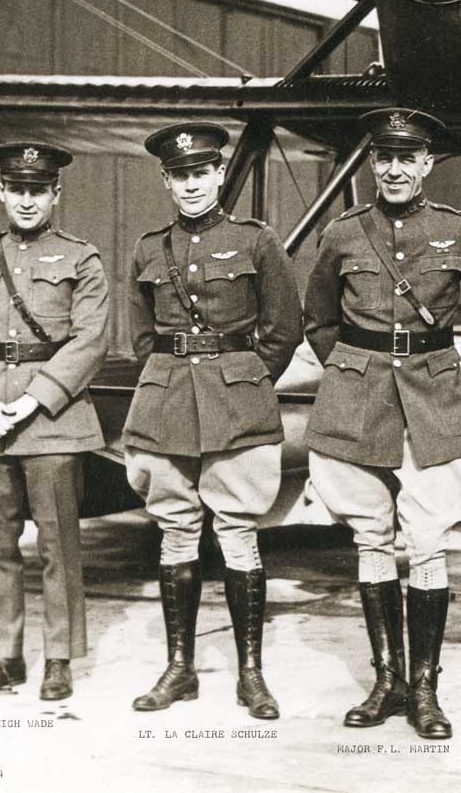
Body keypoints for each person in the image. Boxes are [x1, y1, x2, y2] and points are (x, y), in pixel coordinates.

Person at [303, 107, 461, 740]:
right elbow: (318, 319)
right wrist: (348, 373)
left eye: (406, 158)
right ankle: (385, 679)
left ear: (425, 165)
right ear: (373, 163)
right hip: (358, 395)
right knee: (369, 534)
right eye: (383, 157)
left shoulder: (460, 230)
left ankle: (424, 688)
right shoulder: (342, 233)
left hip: (433, 392)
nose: (393, 168)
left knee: (427, 537)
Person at [124, 123, 301, 719]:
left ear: (219, 174)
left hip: (236, 403)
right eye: (180, 175)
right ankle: (181, 669)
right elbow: (143, 335)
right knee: (175, 528)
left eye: (201, 173)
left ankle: (251, 674)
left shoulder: (256, 241)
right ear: (166, 180)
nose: (192, 185)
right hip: (167, 401)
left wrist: (244, 380)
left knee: (239, 530)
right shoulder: (150, 249)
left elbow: (282, 331)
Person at [0, 142, 110, 701]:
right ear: (2, 192)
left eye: (39, 190)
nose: (28, 200)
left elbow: (90, 340)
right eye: (18, 189)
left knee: (59, 545)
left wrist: (34, 399)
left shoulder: (82, 258)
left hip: (52, 420)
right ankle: (2, 656)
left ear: (56, 193)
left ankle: (58, 657)